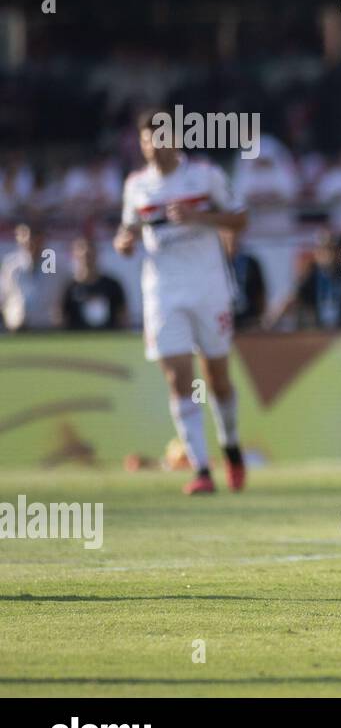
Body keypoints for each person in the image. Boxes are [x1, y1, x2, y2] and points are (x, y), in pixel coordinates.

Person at [113, 111, 249, 495]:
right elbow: (127, 232)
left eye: (159, 137)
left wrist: (199, 217)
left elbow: (240, 220)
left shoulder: (205, 176)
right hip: (163, 292)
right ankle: (202, 470)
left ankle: (232, 449)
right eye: (145, 140)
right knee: (177, 380)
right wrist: (123, 244)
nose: (153, 146)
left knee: (217, 380)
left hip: (208, 288)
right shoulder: (137, 185)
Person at [267, 229, 341, 331]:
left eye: (334, 250)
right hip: (321, 334)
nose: (329, 254)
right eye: (325, 249)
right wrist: (268, 323)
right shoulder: (313, 274)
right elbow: (290, 299)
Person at [1, 223, 61, 331]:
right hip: (16, 329)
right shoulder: (10, 267)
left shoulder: (57, 269)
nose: (29, 241)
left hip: (46, 329)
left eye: (34, 237)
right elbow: (4, 296)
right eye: (24, 236)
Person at [62, 236, 127, 330]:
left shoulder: (112, 285)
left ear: (96, 254)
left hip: (109, 339)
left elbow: (123, 317)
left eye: (89, 254)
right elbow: (62, 318)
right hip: (78, 340)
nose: (86, 258)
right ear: (74, 255)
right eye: (83, 255)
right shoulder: (70, 287)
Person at [221, 227, 266, 330]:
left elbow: (261, 294)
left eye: (234, 236)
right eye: (228, 236)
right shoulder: (214, 265)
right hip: (223, 321)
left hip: (248, 322)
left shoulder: (250, 262)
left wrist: (260, 319)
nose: (231, 240)